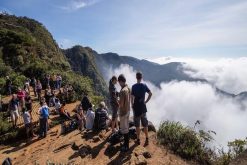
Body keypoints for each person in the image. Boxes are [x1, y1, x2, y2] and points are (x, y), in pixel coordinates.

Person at [131, 72, 152, 145]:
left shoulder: (133, 86)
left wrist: (132, 105)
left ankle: (138, 139)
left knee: (137, 125)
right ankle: (147, 139)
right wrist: (146, 101)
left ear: (136, 77)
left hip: (136, 108)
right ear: (141, 77)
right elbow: (150, 94)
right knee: (145, 124)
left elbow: (132, 97)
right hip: (143, 107)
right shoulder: (144, 85)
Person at [118, 74, 131, 152]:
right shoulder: (128, 88)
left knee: (124, 129)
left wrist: (117, 99)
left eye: (119, 82)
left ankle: (126, 146)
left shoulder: (123, 91)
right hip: (128, 110)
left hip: (123, 112)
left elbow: (121, 104)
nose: (119, 84)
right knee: (127, 127)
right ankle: (126, 144)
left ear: (120, 81)